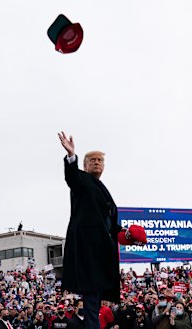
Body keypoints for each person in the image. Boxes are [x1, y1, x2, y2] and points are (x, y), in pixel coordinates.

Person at [58, 131, 122, 329]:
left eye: (100, 160)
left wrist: (127, 234)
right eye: (92, 160)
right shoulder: (81, 180)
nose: (96, 163)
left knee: (96, 298)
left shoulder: (105, 191)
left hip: (102, 249)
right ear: (85, 165)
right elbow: (71, 176)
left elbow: (111, 222)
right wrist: (71, 156)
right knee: (92, 294)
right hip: (87, 246)